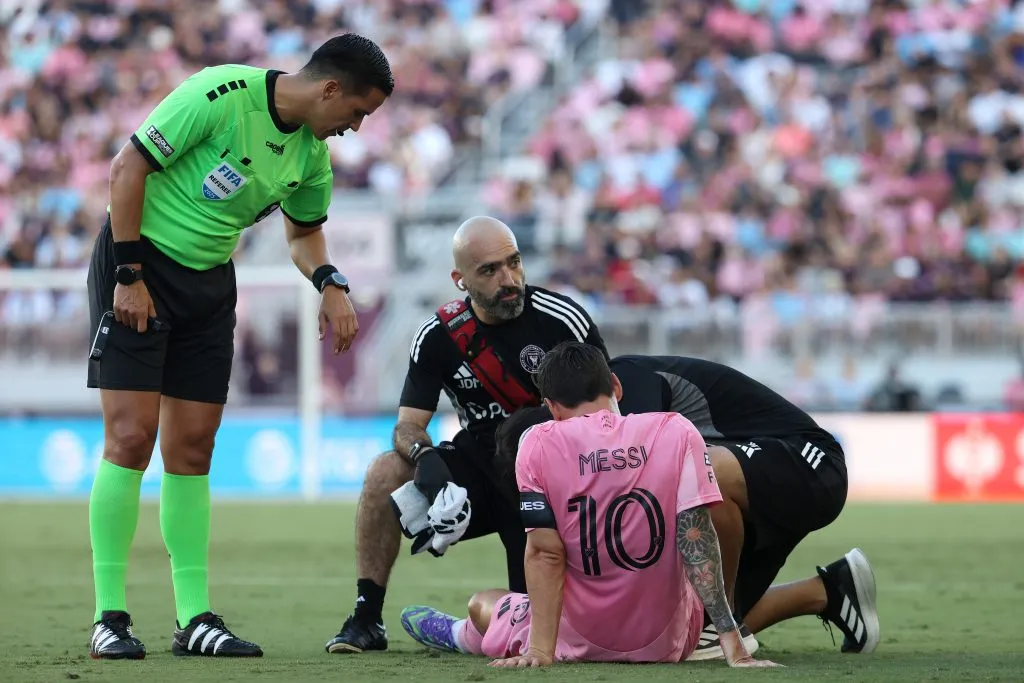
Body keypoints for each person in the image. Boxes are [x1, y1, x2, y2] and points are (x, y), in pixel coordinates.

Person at [85, 34, 394, 660]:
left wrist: (330, 282)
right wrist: (129, 276)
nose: (355, 128)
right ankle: (108, 617)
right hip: (138, 267)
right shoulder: (221, 93)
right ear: (330, 89)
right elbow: (128, 168)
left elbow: (305, 235)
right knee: (131, 438)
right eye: (357, 112)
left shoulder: (313, 160)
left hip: (209, 285)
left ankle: (193, 618)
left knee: (193, 448)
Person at [324, 217, 609, 654]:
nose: (509, 279)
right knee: (385, 471)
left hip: (549, 480)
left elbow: (609, 414)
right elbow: (407, 426)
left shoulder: (561, 319)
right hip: (476, 472)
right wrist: (427, 462)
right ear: (460, 280)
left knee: (537, 627)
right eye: (490, 270)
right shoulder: (437, 336)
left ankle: (462, 633)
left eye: (514, 263)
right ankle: (366, 618)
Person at [400, 342, 780, 667]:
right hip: (670, 640)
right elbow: (696, 536)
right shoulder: (676, 430)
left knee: (484, 603)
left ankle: (461, 634)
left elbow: (545, 554)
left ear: (550, 406)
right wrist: (732, 644)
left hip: (577, 637)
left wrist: (540, 650)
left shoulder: (537, 442)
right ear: (615, 385)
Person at [480, 354, 879, 661]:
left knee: (695, 476)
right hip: (769, 478)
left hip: (809, 462)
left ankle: (715, 629)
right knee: (675, 597)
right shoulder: (601, 400)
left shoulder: (632, 395)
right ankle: (827, 592)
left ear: (552, 412)